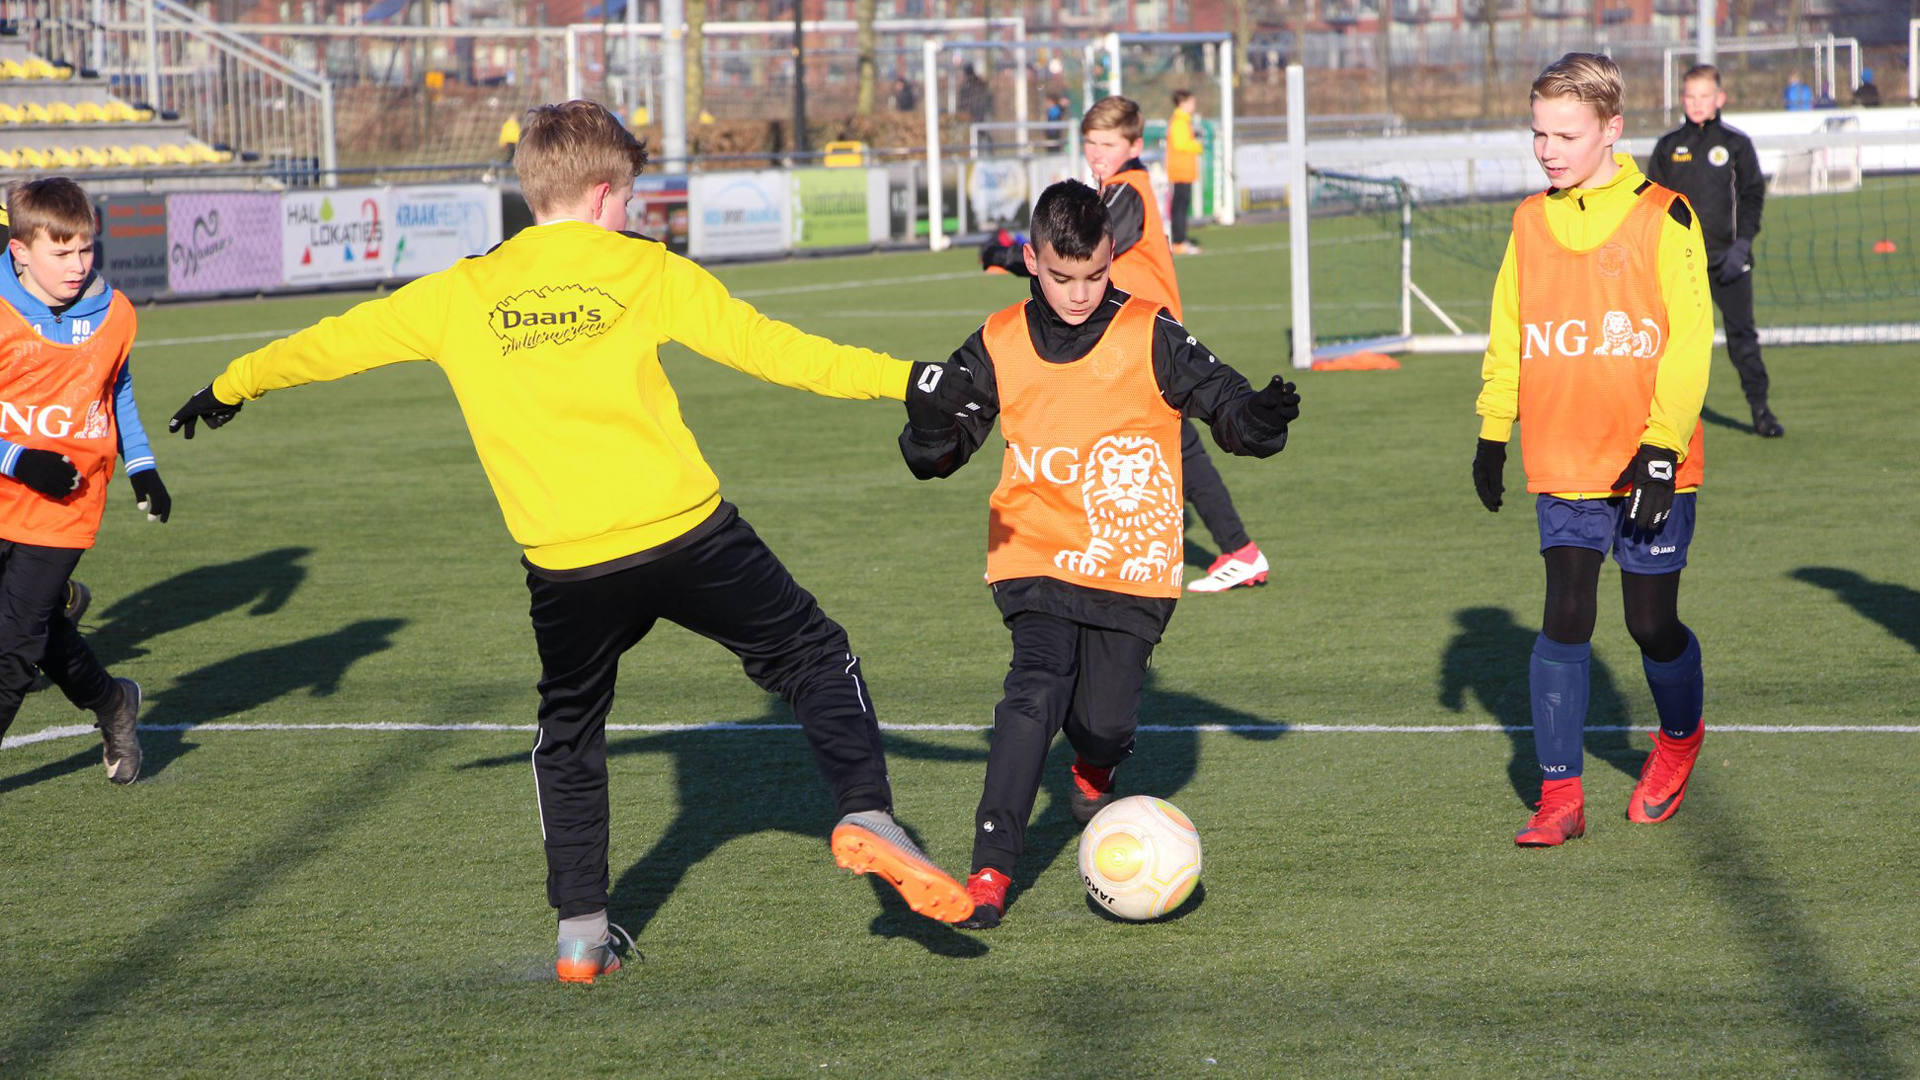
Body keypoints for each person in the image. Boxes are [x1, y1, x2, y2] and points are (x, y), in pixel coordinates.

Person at [167, 100, 975, 982]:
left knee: (571, 732)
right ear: (600, 195)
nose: (631, 213)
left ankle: (581, 936)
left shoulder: (460, 291)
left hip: (566, 565)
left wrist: (231, 384)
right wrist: (905, 378)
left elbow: (330, 344)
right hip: (687, 535)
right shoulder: (644, 270)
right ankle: (867, 812)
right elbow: (775, 351)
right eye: (628, 197)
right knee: (815, 656)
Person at [900, 179, 1299, 927]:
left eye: (1095, 275)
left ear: (1113, 257)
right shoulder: (997, 339)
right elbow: (940, 452)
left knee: (1104, 725)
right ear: (1030, 260)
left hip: (1131, 562)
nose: (1079, 294)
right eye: (1061, 277)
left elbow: (1228, 409)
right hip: (1035, 551)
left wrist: (1259, 415)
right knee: (1034, 689)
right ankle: (989, 871)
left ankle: (1094, 766)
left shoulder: (1151, 331)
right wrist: (927, 430)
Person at [1472, 53, 1713, 848]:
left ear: (1612, 129)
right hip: (1566, 455)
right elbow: (1510, 330)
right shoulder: (1528, 221)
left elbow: (1687, 346)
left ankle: (1678, 740)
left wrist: (1660, 449)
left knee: (1651, 625)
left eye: (1565, 134)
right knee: (1566, 613)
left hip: (1650, 459)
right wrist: (1492, 430)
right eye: (1538, 132)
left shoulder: (1665, 216)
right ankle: (1559, 795)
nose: (1547, 149)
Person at [0, 177, 167, 783]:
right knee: (38, 632)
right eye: (60, 252)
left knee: (13, 652)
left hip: (64, 506)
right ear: (20, 251)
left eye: (86, 250)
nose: (77, 265)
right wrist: (18, 458)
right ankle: (114, 702)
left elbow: (115, 389)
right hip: (4, 486)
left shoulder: (116, 312)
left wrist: (141, 464)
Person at [1081, 95, 1268, 592]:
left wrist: (1025, 254)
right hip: (1138, 339)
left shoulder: (1125, 189)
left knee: (1169, 449)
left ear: (1135, 145)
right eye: (1090, 143)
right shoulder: (1119, 186)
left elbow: (1086, 250)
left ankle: (1239, 550)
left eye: (1107, 143)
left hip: (1148, 341)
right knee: (1159, 446)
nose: (1096, 152)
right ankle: (1233, 550)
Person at [1647, 64, 1784, 437]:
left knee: (1742, 338)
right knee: (1671, 341)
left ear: (1719, 99)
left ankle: (1761, 410)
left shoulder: (1736, 145)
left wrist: (1742, 246)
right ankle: (1660, 415)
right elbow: (1654, 206)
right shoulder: (1668, 147)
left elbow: (1753, 196)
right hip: (1681, 264)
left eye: (1704, 96)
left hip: (1729, 261)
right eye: (1690, 96)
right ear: (1682, 99)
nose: (1696, 103)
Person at [1165, 89, 1205, 255]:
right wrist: (1197, 145)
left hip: (1183, 170)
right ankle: (1178, 241)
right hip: (1180, 170)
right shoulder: (1179, 121)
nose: (1194, 105)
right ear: (1182, 103)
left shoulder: (1183, 121)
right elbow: (1181, 145)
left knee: (1181, 205)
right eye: (1191, 102)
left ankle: (1180, 240)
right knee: (1179, 206)